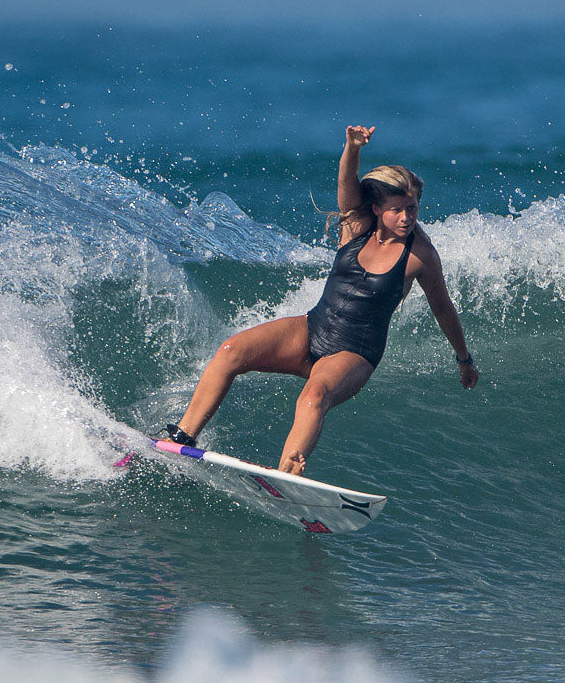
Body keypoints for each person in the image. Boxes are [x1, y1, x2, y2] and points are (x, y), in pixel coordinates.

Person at [161, 125, 479, 475]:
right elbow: (347, 183)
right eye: (398, 209)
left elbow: (443, 307)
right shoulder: (356, 228)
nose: (407, 217)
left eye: (413, 208)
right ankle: (182, 437)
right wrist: (352, 147)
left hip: (354, 351)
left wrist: (463, 359)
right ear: (375, 207)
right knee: (230, 352)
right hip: (312, 329)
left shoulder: (420, 255)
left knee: (313, 397)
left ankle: (288, 475)